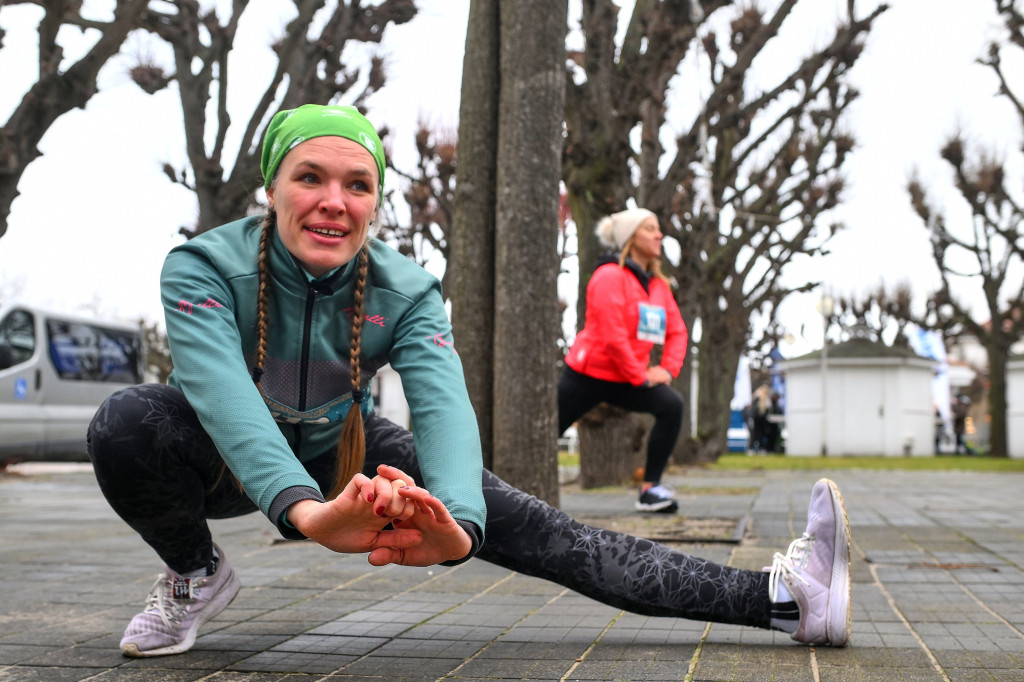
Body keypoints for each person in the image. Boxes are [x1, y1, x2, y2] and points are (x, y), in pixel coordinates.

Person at [87, 104, 853, 659]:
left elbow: (444, 407)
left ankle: (789, 602)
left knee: (554, 534)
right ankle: (195, 575)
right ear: (272, 188)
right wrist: (308, 516)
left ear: (376, 201)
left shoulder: (408, 289)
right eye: (309, 177)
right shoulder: (201, 268)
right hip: (214, 452)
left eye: (358, 185)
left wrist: (460, 523)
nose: (333, 201)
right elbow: (224, 397)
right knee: (124, 423)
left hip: (340, 445)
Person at [558, 208, 687, 512]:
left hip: (630, 378)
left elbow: (677, 331)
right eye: (650, 229)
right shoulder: (608, 276)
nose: (659, 234)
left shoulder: (658, 286)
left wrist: (667, 369)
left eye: (658, 228)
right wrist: (639, 376)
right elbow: (612, 336)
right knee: (548, 427)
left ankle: (650, 490)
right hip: (589, 374)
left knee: (671, 405)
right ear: (630, 237)